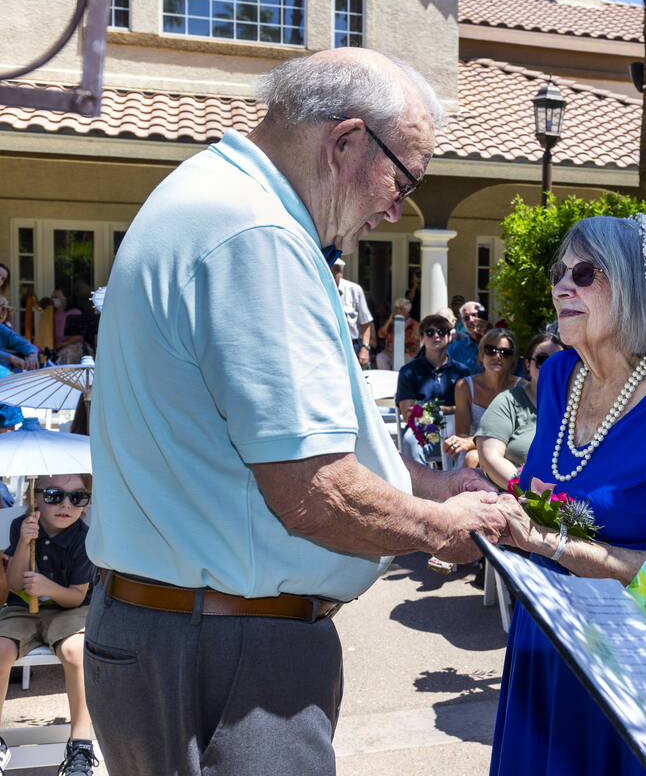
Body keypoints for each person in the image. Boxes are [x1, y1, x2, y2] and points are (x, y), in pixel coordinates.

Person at [86, 48, 512, 776]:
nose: (398, 206)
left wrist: (430, 483)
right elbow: (312, 493)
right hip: (227, 652)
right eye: (404, 177)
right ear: (345, 143)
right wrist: (441, 527)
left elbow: (271, 446)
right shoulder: (259, 236)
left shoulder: (215, 197)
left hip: (179, 632)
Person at [490, 215, 646, 775]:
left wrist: (550, 545)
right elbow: (547, 487)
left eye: (585, 273)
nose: (561, 286)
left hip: (623, 659)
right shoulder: (557, 375)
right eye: (559, 271)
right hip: (543, 631)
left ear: (637, 289)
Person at [0, 474, 98, 775]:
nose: (66, 505)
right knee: (1, 648)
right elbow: (15, 582)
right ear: (35, 497)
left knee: (76, 652)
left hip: (70, 610)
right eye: (55, 495)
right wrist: (24, 543)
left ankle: (80, 744)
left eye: (78, 497)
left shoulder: (85, 538)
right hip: (23, 611)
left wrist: (46, 586)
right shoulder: (22, 525)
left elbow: (74, 597)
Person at [475, 332, 564, 487]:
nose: (550, 367)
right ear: (528, 364)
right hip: (519, 499)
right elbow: (490, 458)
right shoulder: (508, 402)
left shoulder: (580, 405)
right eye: (542, 360)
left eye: (558, 362)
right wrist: (531, 495)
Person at [395, 313, 470, 465]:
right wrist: (446, 410)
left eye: (442, 332)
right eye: (430, 333)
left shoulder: (462, 371)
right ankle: (419, 488)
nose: (436, 335)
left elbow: (467, 410)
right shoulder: (409, 371)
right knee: (410, 441)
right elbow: (408, 414)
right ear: (422, 338)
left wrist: (439, 409)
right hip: (426, 429)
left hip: (457, 428)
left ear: (449, 337)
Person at [443, 327, 523, 469]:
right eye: (491, 350)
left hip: (509, 452)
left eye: (505, 353)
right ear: (481, 355)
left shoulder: (522, 388)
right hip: (472, 453)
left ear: (512, 360)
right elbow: (462, 434)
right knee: (472, 458)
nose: (497, 356)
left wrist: (471, 442)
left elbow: (520, 437)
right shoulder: (465, 386)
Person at [331, 258, 373, 368]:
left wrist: (365, 347)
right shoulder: (320, 289)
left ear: (341, 273)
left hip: (352, 344)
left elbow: (365, 322)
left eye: (335, 271)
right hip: (330, 344)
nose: (331, 274)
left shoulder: (354, 290)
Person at [447, 301, 489, 373]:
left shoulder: (498, 344)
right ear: (462, 322)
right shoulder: (454, 349)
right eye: (466, 318)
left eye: (474, 315)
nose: (471, 320)